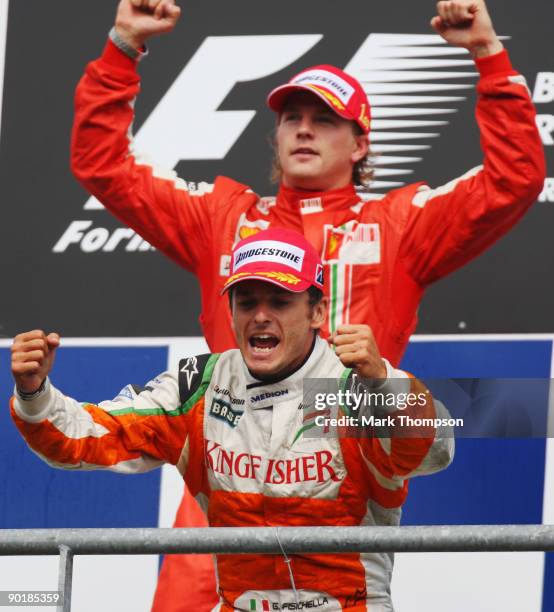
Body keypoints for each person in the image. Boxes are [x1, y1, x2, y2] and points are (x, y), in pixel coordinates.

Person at [69, 0, 545, 608]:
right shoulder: (225, 220)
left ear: (359, 143)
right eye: (292, 116)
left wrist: (488, 55)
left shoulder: (399, 226)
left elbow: (514, 180)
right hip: (228, 448)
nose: (301, 128)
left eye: (323, 120)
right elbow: (102, 165)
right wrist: (123, 45)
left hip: (342, 458)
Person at [10, 229, 454, 612]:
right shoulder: (201, 386)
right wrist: (34, 392)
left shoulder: (350, 383)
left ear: (317, 313)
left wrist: (384, 384)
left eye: (280, 301)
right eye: (247, 301)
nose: (261, 315)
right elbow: (86, 439)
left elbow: (435, 452)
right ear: (232, 312)